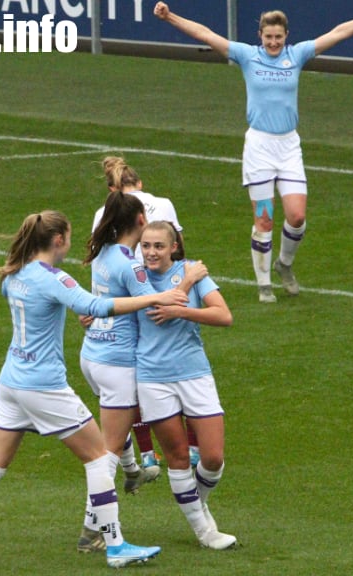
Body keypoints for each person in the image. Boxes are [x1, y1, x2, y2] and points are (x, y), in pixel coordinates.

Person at [0, 210, 188, 568]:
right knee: (97, 457)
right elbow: (94, 305)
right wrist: (156, 298)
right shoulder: (54, 278)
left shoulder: (13, 274)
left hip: (11, 381)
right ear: (58, 240)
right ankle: (116, 545)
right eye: (69, 237)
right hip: (43, 387)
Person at [154, 1, 353, 302]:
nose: (274, 42)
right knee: (264, 220)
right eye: (268, 37)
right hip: (259, 149)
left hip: (289, 147)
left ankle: (285, 265)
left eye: (279, 37)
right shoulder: (247, 56)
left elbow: (338, 33)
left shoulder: (297, 55)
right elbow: (205, 34)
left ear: (286, 36)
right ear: (260, 36)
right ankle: (264, 284)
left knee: (297, 216)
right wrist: (169, 16)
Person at [77, 192, 206, 553]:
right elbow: (159, 305)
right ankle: (94, 531)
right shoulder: (130, 266)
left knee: (112, 445)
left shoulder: (101, 253)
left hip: (91, 355)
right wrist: (188, 279)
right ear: (138, 222)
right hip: (116, 363)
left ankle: (124, 483)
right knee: (108, 452)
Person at [89, 155, 200, 474]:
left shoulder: (103, 211)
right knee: (182, 368)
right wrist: (187, 279)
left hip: (126, 301)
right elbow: (178, 246)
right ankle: (190, 448)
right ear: (140, 184)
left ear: (112, 189)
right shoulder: (163, 203)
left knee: (133, 378)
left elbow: (101, 260)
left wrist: (95, 307)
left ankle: (147, 454)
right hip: (162, 289)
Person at [136, 221, 236, 550]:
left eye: (159, 246)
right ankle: (204, 531)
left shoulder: (192, 272)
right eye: (146, 245)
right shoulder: (134, 276)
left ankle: (196, 501)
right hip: (152, 377)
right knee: (177, 457)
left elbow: (223, 315)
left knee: (213, 457)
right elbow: (111, 304)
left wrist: (182, 312)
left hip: (194, 374)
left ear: (174, 248)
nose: (151, 252)